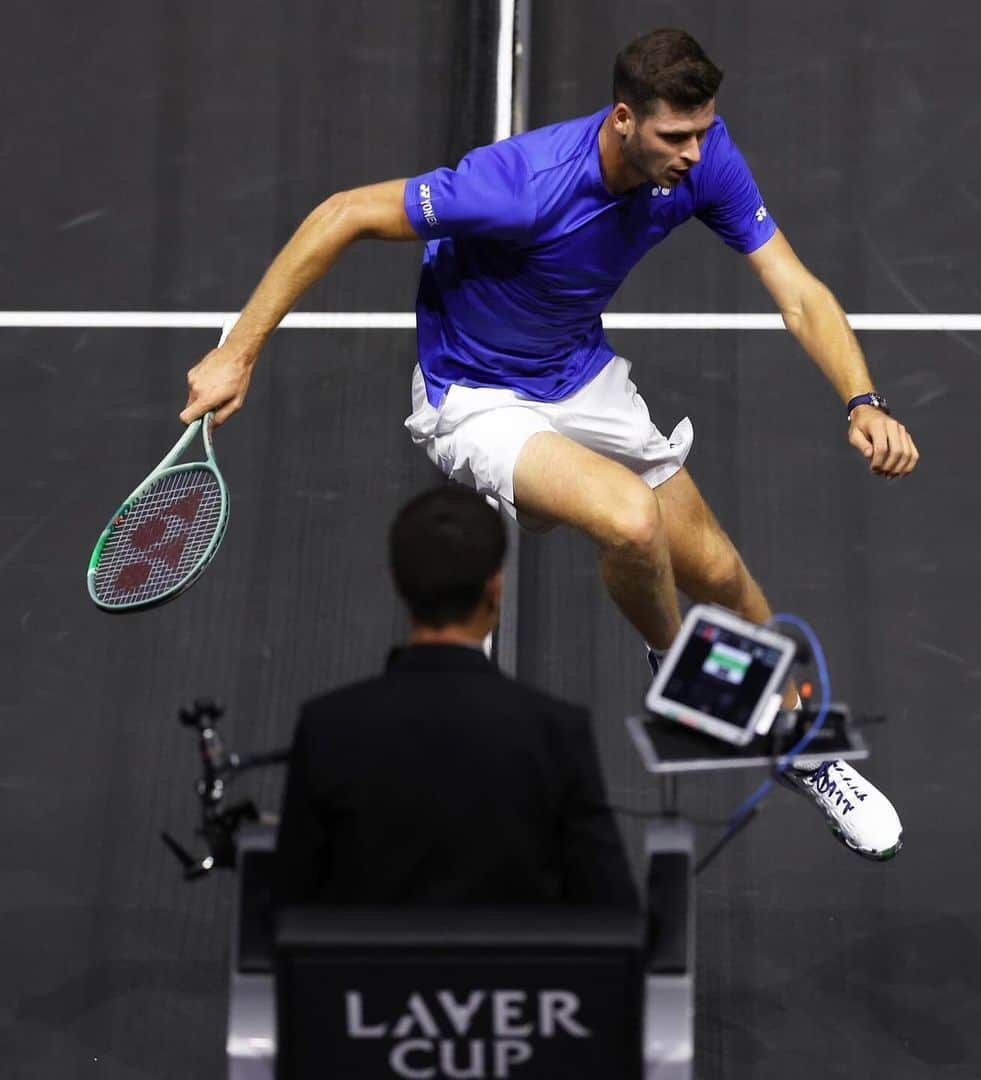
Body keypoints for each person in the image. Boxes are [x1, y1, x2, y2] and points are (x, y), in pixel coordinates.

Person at [187, 29, 908, 859]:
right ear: (625, 119)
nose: (694, 153)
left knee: (715, 568)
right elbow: (342, 214)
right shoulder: (519, 186)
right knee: (631, 522)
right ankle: (684, 681)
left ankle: (802, 744)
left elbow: (798, 291)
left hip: (575, 369)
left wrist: (862, 398)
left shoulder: (703, 159)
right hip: (476, 395)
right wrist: (236, 351)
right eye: (676, 137)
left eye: (704, 131)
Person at [273, 485, 639, 907]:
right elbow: (612, 915)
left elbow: (288, 907)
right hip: (515, 976)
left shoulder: (327, 729)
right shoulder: (558, 733)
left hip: (367, 976)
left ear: (399, 582)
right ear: (495, 589)